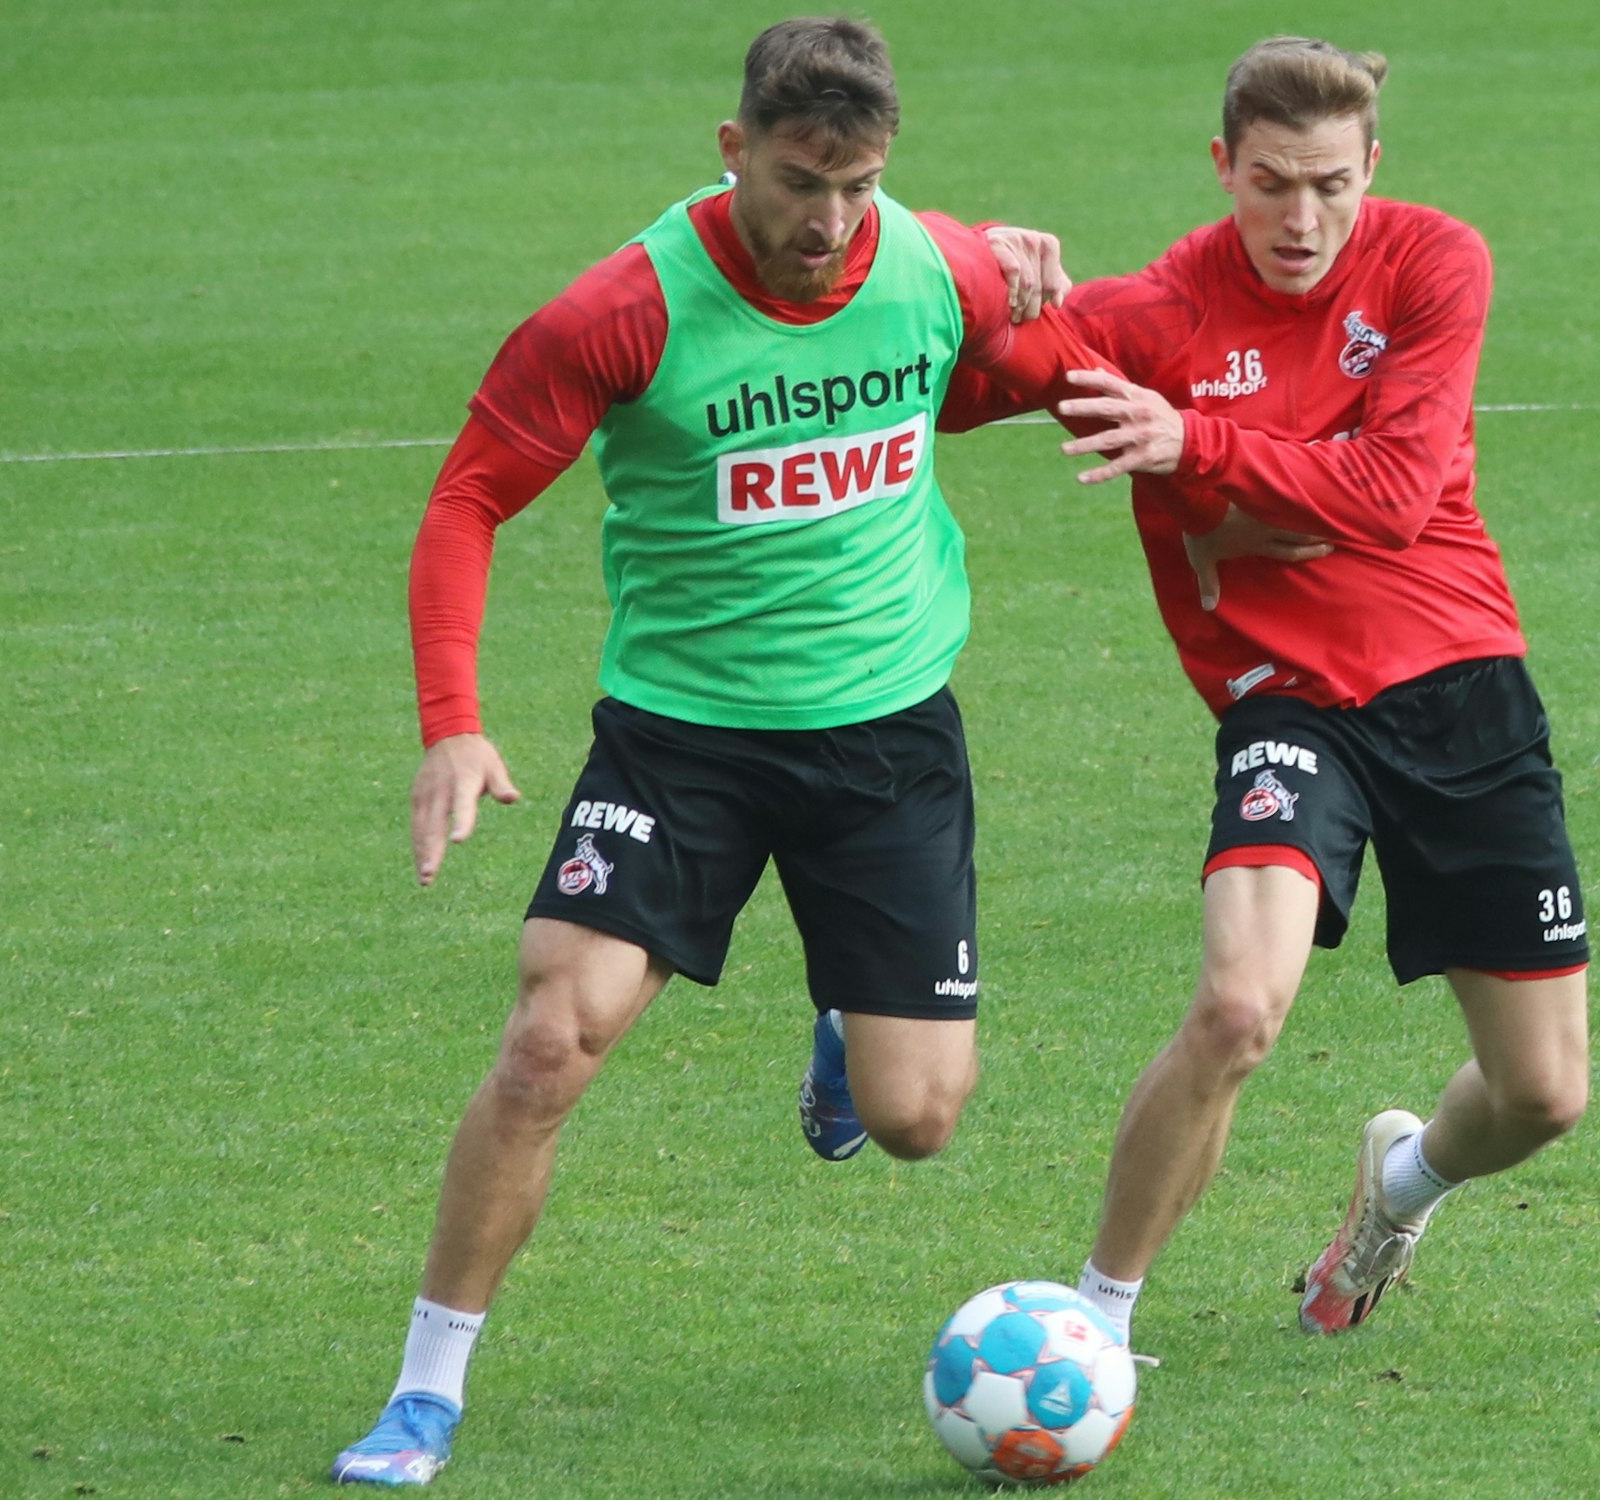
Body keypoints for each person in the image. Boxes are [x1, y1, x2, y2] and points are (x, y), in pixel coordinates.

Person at [329, 17, 1107, 1486]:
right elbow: (467, 500)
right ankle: (426, 1393)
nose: (829, 222)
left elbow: (996, 376)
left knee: (918, 1120)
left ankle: (848, 1029)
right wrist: (453, 724)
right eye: (800, 182)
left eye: (859, 186)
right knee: (547, 1046)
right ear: (733, 148)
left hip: (884, 737)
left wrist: (1075, 333)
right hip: (680, 745)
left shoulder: (935, 263)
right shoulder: (620, 312)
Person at [943, 36, 1590, 1348]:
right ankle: (1096, 1327)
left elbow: (1396, 495)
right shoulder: (1150, 319)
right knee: (1238, 1007)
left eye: (1332, 185)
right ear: (1224, 166)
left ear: (1372, 168)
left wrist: (1193, 441)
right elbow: (955, 387)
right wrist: (987, 272)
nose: (1303, 219)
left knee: (1541, 1095)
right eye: (1273, 183)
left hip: (1460, 683)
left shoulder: (1432, 261)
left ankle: (1398, 1189)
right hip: (1286, 702)